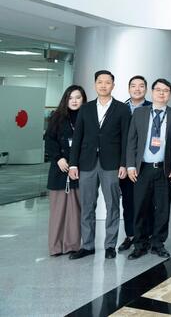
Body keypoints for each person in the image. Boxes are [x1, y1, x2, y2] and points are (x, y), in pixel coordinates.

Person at [68, 70, 131, 260]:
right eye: (100, 82)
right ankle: (87, 245)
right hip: (86, 163)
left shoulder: (121, 109)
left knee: (112, 205)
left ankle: (110, 245)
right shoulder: (85, 109)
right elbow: (77, 137)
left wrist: (124, 164)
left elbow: (126, 139)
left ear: (113, 85)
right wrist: (72, 164)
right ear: (95, 85)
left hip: (111, 164)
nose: (103, 85)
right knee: (87, 205)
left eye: (107, 82)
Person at [125, 79, 171, 260]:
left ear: (170, 94)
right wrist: (130, 165)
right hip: (142, 169)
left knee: (162, 209)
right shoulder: (140, 113)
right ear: (152, 92)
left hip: (165, 169)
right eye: (158, 90)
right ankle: (139, 244)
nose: (162, 93)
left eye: (166, 90)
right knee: (140, 207)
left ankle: (158, 243)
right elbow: (131, 141)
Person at [45, 85, 86, 256]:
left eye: (78, 97)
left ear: (83, 99)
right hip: (59, 169)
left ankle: (72, 246)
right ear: (65, 99)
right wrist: (59, 158)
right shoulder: (57, 117)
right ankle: (55, 247)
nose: (74, 101)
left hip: (79, 169)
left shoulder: (88, 117)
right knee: (58, 210)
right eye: (71, 98)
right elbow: (49, 140)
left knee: (75, 211)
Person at [119, 75, 153, 254]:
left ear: (146, 89)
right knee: (129, 201)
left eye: (141, 86)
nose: (137, 89)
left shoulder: (152, 108)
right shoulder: (121, 108)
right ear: (128, 88)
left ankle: (146, 236)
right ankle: (131, 235)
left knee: (147, 202)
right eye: (133, 86)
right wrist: (123, 164)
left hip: (145, 164)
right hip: (126, 164)